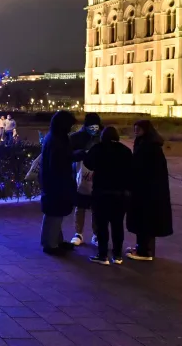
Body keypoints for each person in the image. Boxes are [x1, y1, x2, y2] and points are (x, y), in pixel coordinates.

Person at [83, 127, 133, 265]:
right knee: (117, 225)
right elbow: (131, 170)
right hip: (120, 194)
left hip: (101, 192)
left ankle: (102, 254)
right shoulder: (125, 150)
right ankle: (117, 255)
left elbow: (88, 163)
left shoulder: (98, 148)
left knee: (102, 225)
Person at [128, 120, 173, 261]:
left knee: (144, 220)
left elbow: (140, 167)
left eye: (139, 129)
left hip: (146, 191)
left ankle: (144, 251)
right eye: (135, 128)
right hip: (148, 189)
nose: (136, 131)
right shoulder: (146, 143)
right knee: (145, 220)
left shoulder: (148, 146)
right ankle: (143, 247)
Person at [39, 110, 79, 255]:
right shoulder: (56, 140)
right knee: (54, 213)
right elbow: (58, 162)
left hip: (54, 181)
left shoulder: (55, 137)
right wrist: (74, 156)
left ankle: (55, 240)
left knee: (55, 213)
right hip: (56, 182)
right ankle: (50, 244)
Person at [68, 113, 103, 246]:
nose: (94, 129)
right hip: (79, 177)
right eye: (91, 126)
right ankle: (78, 233)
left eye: (96, 126)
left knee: (96, 208)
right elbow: (70, 155)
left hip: (98, 178)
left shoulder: (102, 137)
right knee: (80, 206)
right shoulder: (76, 137)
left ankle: (96, 234)